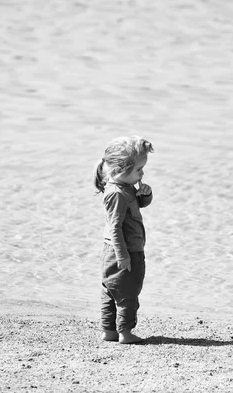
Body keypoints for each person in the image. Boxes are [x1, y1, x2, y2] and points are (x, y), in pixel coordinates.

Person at [92, 136, 154, 344]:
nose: (142, 173)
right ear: (120, 170)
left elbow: (134, 207)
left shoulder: (123, 188)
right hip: (125, 251)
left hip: (117, 250)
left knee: (111, 289)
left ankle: (109, 331)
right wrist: (123, 256)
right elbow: (115, 227)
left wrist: (144, 195)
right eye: (138, 169)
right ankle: (125, 332)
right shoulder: (117, 194)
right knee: (128, 291)